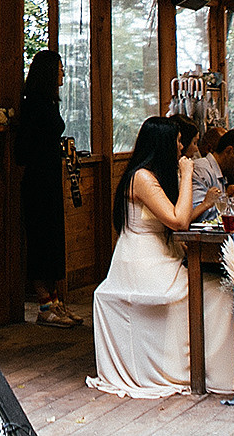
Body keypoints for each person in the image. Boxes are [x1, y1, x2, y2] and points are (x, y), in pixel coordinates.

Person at [87, 117, 201, 397]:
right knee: (205, 293)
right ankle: (188, 369)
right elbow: (179, 221)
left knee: (213, 289)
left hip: (159, 258)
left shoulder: (155, 175)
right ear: (163, 144)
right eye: (176, 141)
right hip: (142, 264)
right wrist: (187, 175)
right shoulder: (142, 177)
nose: (181, 146)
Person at [14, 50, 81, 328]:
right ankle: (44, 306)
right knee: (42, 241)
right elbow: (23, 150)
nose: (63, 73)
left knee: (54, 241)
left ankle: (55, 302)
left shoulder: (50, 103)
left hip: (51, 179)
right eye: (60, 69)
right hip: (38, 181)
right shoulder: (34, 105)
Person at [191, 128, 234, 217]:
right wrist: (232, 201)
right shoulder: (201, 170)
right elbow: (197, 213)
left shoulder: (221, 174)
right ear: (229, 151)